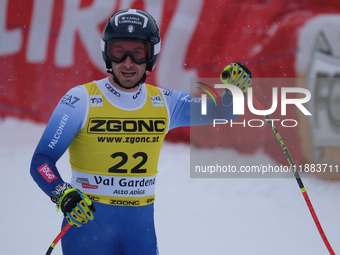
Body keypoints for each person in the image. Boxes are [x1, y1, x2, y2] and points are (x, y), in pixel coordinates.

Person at [30, 8, 252, 255]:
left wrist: (236, 90)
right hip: (87, 231)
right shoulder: (81, 99)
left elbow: (223, 112)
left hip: (140, 236)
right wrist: (63, 194)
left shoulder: (165, 102)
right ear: (107, 53)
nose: (128, 62)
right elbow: (41, 161)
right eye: (119, 51)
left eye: (138, 53)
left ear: (151, 56)